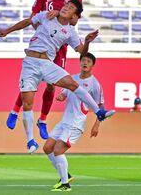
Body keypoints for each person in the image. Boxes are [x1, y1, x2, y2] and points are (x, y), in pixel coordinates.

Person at [0, 0, 115, 153]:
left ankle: (99, 112)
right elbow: (27, 22)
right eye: (67, 5)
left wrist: (87, 41)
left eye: (71, 8)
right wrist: (7, 31)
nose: (67, 8)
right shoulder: (46, 15)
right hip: (30, 63)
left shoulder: (70, 32)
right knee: (27, 104)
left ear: (74, 15)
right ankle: (30, 141)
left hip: (48, 64)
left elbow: (81, 51)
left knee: (73, 84)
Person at [6, 0, 83, 140]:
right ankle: (14, 110)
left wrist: (59, 14)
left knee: (50, 85)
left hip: (60, 46)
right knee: (30, 82)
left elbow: (74, 22)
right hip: (42, 44)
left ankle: (43, 120)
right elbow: (33, 18)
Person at [43, 52, 107, 192]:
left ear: (92, 65)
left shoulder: (95, 85)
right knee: (47, 147)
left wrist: (96, 125)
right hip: (64, 121)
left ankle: (65, 184)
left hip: (76, 124)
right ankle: (66, 175)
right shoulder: (72, 78)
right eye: (83, 60)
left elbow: (101, 106)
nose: (85, 63)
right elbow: (65, 92)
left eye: (88, 61)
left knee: (58, 150)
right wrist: (61, 96)